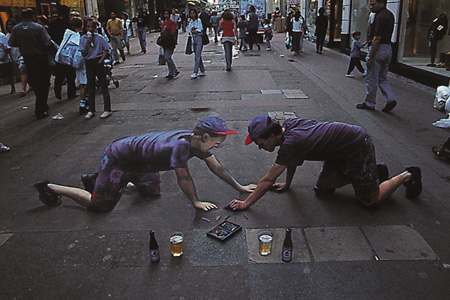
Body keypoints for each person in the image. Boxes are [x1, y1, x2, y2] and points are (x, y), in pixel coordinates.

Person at [34, 117, 256, 212]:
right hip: (118, 158)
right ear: (205, 137)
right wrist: (196, 202)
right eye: (217, 143)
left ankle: (99, 180)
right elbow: (184, 178)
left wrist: (240, 187)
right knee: (100, 206)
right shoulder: (180, 147)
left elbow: (216, 167)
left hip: (140, 164)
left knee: (152, 192)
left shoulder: (195, 142)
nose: (217, 147)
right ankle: (51, 187)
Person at [227, 115, 423, 210]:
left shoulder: (292, 143)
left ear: (271, 136)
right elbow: (291, 160)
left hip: (357, 145)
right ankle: (373, 171)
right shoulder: (288, 128)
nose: (260, 148)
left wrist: (246, 203)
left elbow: (268, 179)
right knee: (322, 189)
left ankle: (407, 175)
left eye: (260, 144)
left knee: (370, 200)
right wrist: (288, 184)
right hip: (336, 152)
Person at [8, 8, 52, 120]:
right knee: (44, 83)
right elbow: (47, 42)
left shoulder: (16, 29)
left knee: (35, 84)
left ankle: (42, 105)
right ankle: (41, 108)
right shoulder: (38, 28)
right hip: (40, 59)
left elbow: (12, 43)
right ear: (33, 16)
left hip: (28, 59)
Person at [356, 0, 397, 113]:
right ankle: (390, 99)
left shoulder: (379, 17)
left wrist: (370, 56)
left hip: (378, 49)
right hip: (388, 48)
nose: (370, 7)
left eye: (373, 4)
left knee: (371, 78)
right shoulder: (390, 15)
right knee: (382, 78)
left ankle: (370, 102)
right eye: (370, 4)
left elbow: (377, 38)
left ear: (382, 3)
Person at [79, 18, 112, 119]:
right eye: (88, 27)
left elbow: (107, 49)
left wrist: (101, 60)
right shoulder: (83, 39)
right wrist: (87, 43)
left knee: (103, 85)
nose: (90, 29)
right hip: (89, 62)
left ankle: (107, 109)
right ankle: (91, 109)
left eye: (92, 27)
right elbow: (83, 53)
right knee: (90, 86)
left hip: (98, 61)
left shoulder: (100, 38)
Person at [48, 5, 77, 100]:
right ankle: (71, 93)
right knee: (70, 73)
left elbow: (49, 38)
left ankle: (57, 91)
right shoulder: (68, 24)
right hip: (67, 51)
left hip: (57, 51)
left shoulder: (52, 24)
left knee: (59, 73)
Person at [6, 19, 28, 97]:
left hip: (21, 54)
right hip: (14, 56)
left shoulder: (19, 34)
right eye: (8, 24)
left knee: (22, 70)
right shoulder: (7, 36)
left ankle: (23, 89)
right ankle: (30, 85)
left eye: (11, 24)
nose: (10, 26)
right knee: (23, 71)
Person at [161, 9, 179, 79]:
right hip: (165, 42)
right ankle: (171, 73)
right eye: (165, 14)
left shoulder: (172, 22)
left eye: (167, 14)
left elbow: (173, 32)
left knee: (167, 57)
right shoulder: (164, 22)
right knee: (167, 57)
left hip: (170, 42)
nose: (166, 15)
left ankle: (175, 70)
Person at [189, 9, 206, 79]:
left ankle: (195, 72)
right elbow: (189, 31)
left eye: (193, 13)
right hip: (193, 40)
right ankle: (202, 70)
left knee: (197, 56)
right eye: (191, 13)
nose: (192, 15)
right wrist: (193, 31)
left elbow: (200, 29)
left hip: (199, 39)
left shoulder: (199, 21)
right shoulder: (190, 22)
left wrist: (195, 31)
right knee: (197, 55)